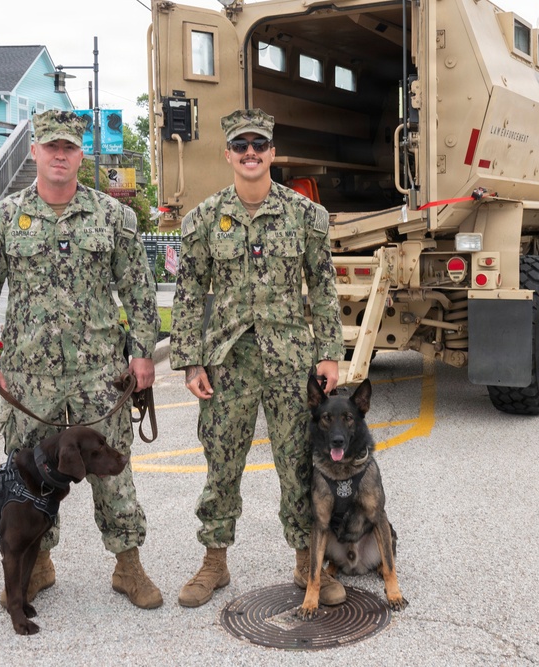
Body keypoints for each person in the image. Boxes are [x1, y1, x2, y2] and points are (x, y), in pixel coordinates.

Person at [0, 109, 163, 610]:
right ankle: (38, 565)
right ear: (34, 152)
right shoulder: (2, 218)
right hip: (28, 377)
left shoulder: (113, 217)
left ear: (80, 155)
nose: (59, 155)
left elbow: (138, 290)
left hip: (100, 373)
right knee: (27, 475)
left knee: (113, 471)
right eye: (51, 146)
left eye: (69, 147)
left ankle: (128, 566)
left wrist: (141, 354)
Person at [170, 108, 346, 608]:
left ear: (271, 153)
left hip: (291, 361)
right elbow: (187, 295)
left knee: (297, 466)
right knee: (221, 463)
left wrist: (330, 353)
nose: (250, 153)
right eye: (240, 145)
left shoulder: (305, 216)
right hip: (228, 362)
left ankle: (304, 563)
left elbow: (324, 286)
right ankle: (214, 562)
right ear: (228, 154)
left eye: (259, 145)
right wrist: (191, 361)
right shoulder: (204, 220)